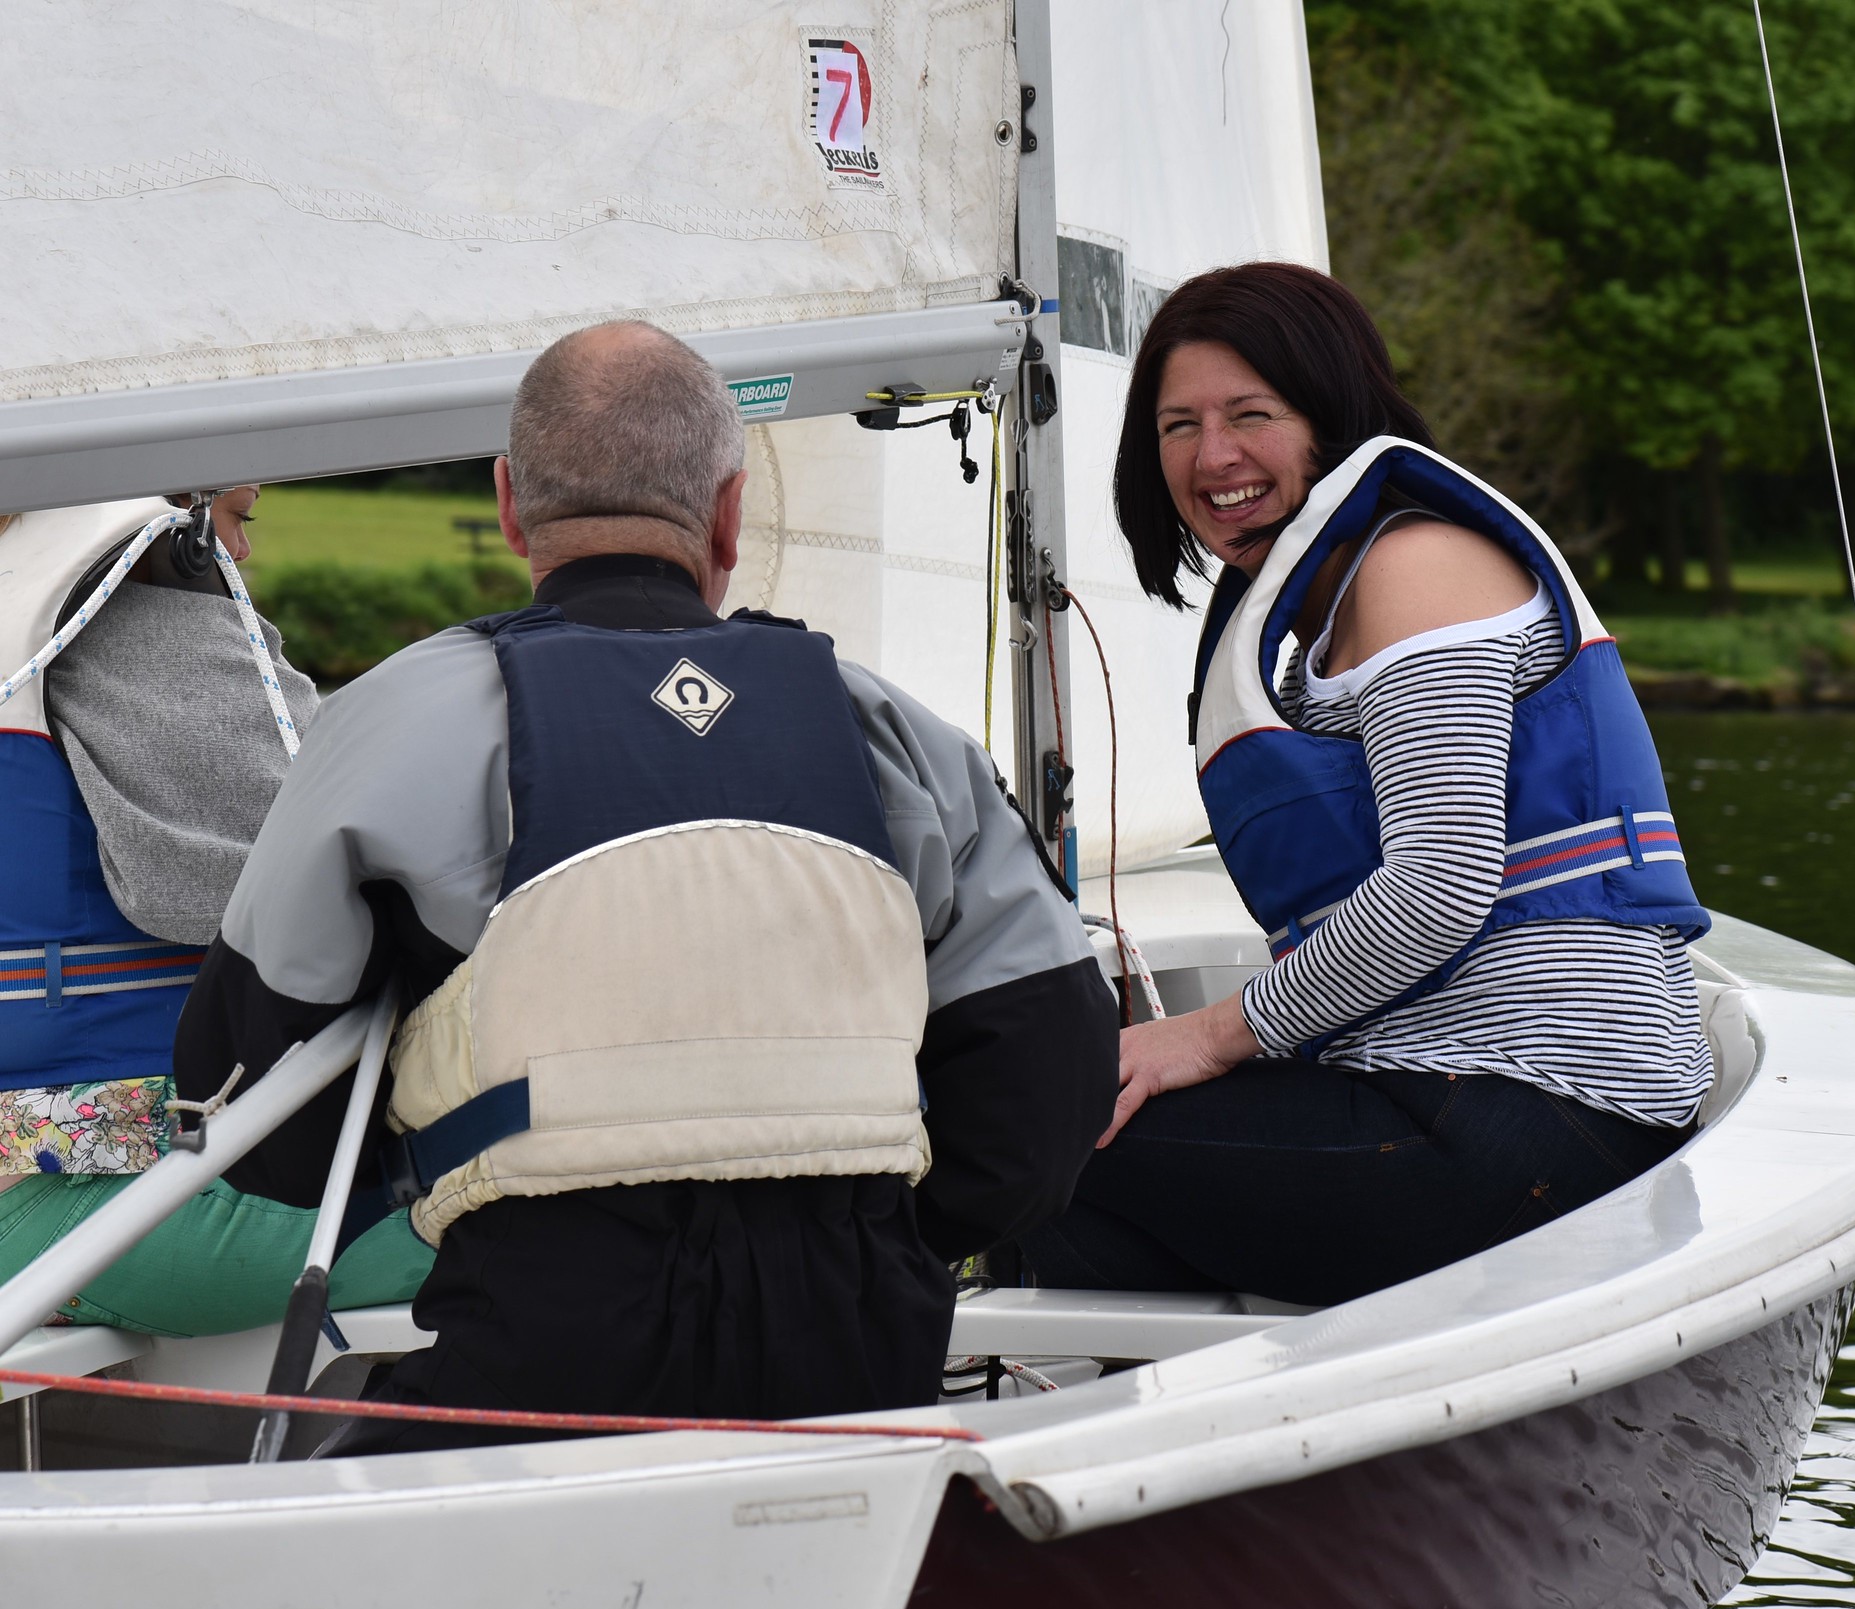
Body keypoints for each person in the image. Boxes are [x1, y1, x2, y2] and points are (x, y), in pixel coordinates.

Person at [174, 321, 1117, 1452]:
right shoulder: (895, 737)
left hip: (543, 1337)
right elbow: (1050, 1083)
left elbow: (251, 1110)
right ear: (727, 511)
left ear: (512, 502)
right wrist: (885, 1239)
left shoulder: (391, 725)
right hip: (861, 1346)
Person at [1020, 263, 1713, 1307]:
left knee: (1023, 1132)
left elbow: (1442, 882)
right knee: (1069, 1199)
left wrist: (1198, 1039)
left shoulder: (1416, 570)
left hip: (1542, 1117)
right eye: (1177, 425)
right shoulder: (1318, 623)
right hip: (1446, 1102)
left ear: (1331, 421)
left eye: (1251, 414)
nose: (1212, 457)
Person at [0, 489, 431, 1336]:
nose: (243, 551)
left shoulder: (21, 605)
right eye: (237, 521)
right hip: (90, 1190)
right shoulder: (129, 613)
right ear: (183, 528)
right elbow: (324, 868)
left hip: (48, 1181)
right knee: (541, 1231)